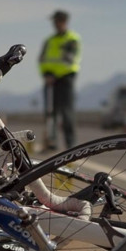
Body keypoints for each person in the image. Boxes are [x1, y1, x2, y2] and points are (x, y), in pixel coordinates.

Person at [38, 10, 81, 150]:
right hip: (50, 80)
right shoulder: (49, 41)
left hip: (65, 79)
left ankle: (70, 144)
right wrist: (47, 74)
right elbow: (42, 60)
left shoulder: (72, 39)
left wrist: (55, 75)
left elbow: (70, 59)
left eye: (57, 21)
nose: (55, 24)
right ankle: (52, 142)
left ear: (63, 22)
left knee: (67, 112)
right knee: (51, 112)